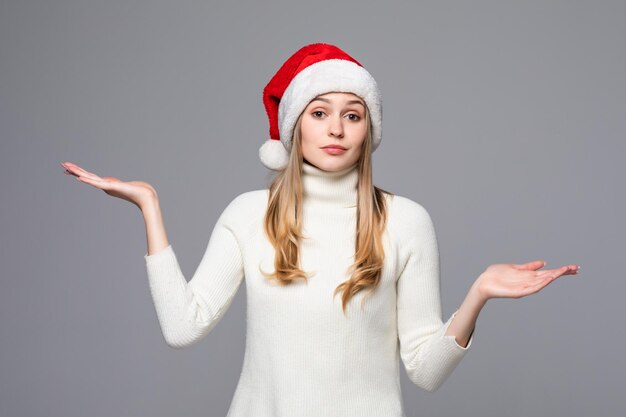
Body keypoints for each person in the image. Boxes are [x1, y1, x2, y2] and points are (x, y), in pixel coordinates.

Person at [61, 43, 580, 417]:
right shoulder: (249, 214)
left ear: (367, 130)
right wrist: (149, 206)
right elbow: (182, 326)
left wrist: (478, 295)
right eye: (319, 112)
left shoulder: (406, 221)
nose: (336, 128)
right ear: (295, 127)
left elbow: (425, 371)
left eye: (352, 115)